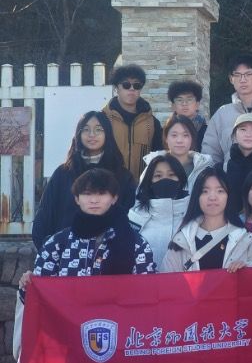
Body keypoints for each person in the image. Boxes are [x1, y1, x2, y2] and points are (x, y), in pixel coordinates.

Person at [21, 168, 154, 292]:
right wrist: (27, 286)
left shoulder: (137, 243)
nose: (94, 200)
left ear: (114, 198)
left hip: (118, 310)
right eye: (87, 194)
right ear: (77, 199)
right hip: (70, 310)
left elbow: (147, 292)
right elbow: (40, 297)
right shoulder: (57, 243)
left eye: (102, 193)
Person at [31, 111, 135, 251]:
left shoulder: (121, 175)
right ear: (78, 134)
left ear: (108, 134)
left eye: (98, 129)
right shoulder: (63, 173)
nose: (92, 134)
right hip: (65, 253)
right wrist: (49, 251)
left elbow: (129, 217)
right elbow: (45, 215)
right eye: (86, 129)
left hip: (109, 254)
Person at [161, 168, 252, 272]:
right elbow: (167, 279)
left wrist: (248, 269)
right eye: (205, 191)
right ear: (197, 197)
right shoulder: (182, 240)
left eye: (220, 191)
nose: (212, 197)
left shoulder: (243, 238)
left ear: (228, 196)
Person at [201, 54, 252, 164]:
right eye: (237, 75)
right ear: (231, 79)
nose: (243, 79)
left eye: (248, 74)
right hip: (228, 174)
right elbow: (210, 153)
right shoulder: (221, 114)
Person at [102, 64, 163, 181]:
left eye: (136, 85)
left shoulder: (152, 123)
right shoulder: (103, 119)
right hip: (109, 187)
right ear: (116, 88)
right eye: (126, 85)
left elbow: (158, 157)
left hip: (142, 187)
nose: (131, 89)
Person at [128, 154, 190, 267]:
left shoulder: (192, 215)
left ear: (180, 179)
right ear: (150, 181)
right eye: (158, 176)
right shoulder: (135, 218)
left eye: (171, 175)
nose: (165, 180)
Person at [139, 115, 213, 192]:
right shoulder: (154, 165)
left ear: (192, 138)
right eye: (174, 135)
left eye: (185, 135)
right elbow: (141, 195)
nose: (179, 140)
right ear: (166, 138)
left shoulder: (203, 166)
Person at [217, 113, 252, 216]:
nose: (248, 134)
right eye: (243, 129)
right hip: (228, 223)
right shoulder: (221, 169)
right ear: (234, 135)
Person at [167, 80, 208, 151]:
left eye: (189, 100)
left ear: (197, 104)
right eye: (180, 100)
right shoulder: (166, 130)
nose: (184, 104)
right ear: (173, 106)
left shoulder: (207, 132)